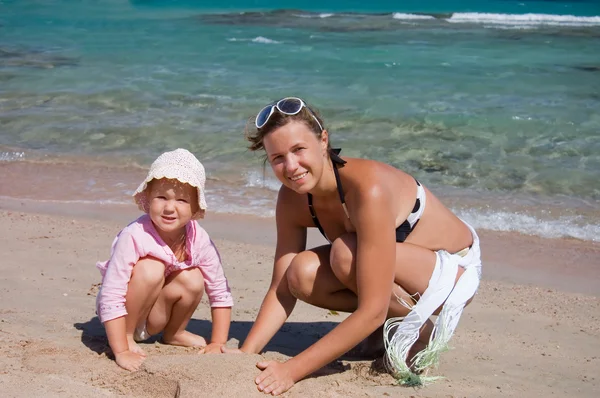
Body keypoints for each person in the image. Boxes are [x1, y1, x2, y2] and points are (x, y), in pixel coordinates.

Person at [223, 97, 482, 394]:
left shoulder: (365, 189)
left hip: (453, 271)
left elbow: (372, 308)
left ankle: (419, 333)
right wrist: (248, 352)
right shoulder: (292, 198)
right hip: (391, 269)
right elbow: (281, 287)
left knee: (346, 254)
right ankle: (389, 328)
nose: (291, 166)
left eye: (298, 150)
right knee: (300, 274)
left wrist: (292, 370)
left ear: (323, 141)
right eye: (278, 158)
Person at [95, 148, 233, 371]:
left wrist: (218, 342)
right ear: (148, 198)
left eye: (182, 200)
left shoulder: (199, 239)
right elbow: (111, 294)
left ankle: (174, 333)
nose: (170, 207)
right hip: (123, 319)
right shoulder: (135, 235)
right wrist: (121, 349)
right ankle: (129, 336)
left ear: (196, 207)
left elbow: (219, 291)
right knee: (151, 268)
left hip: (154, 318)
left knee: (194, 278)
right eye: (161, 197)